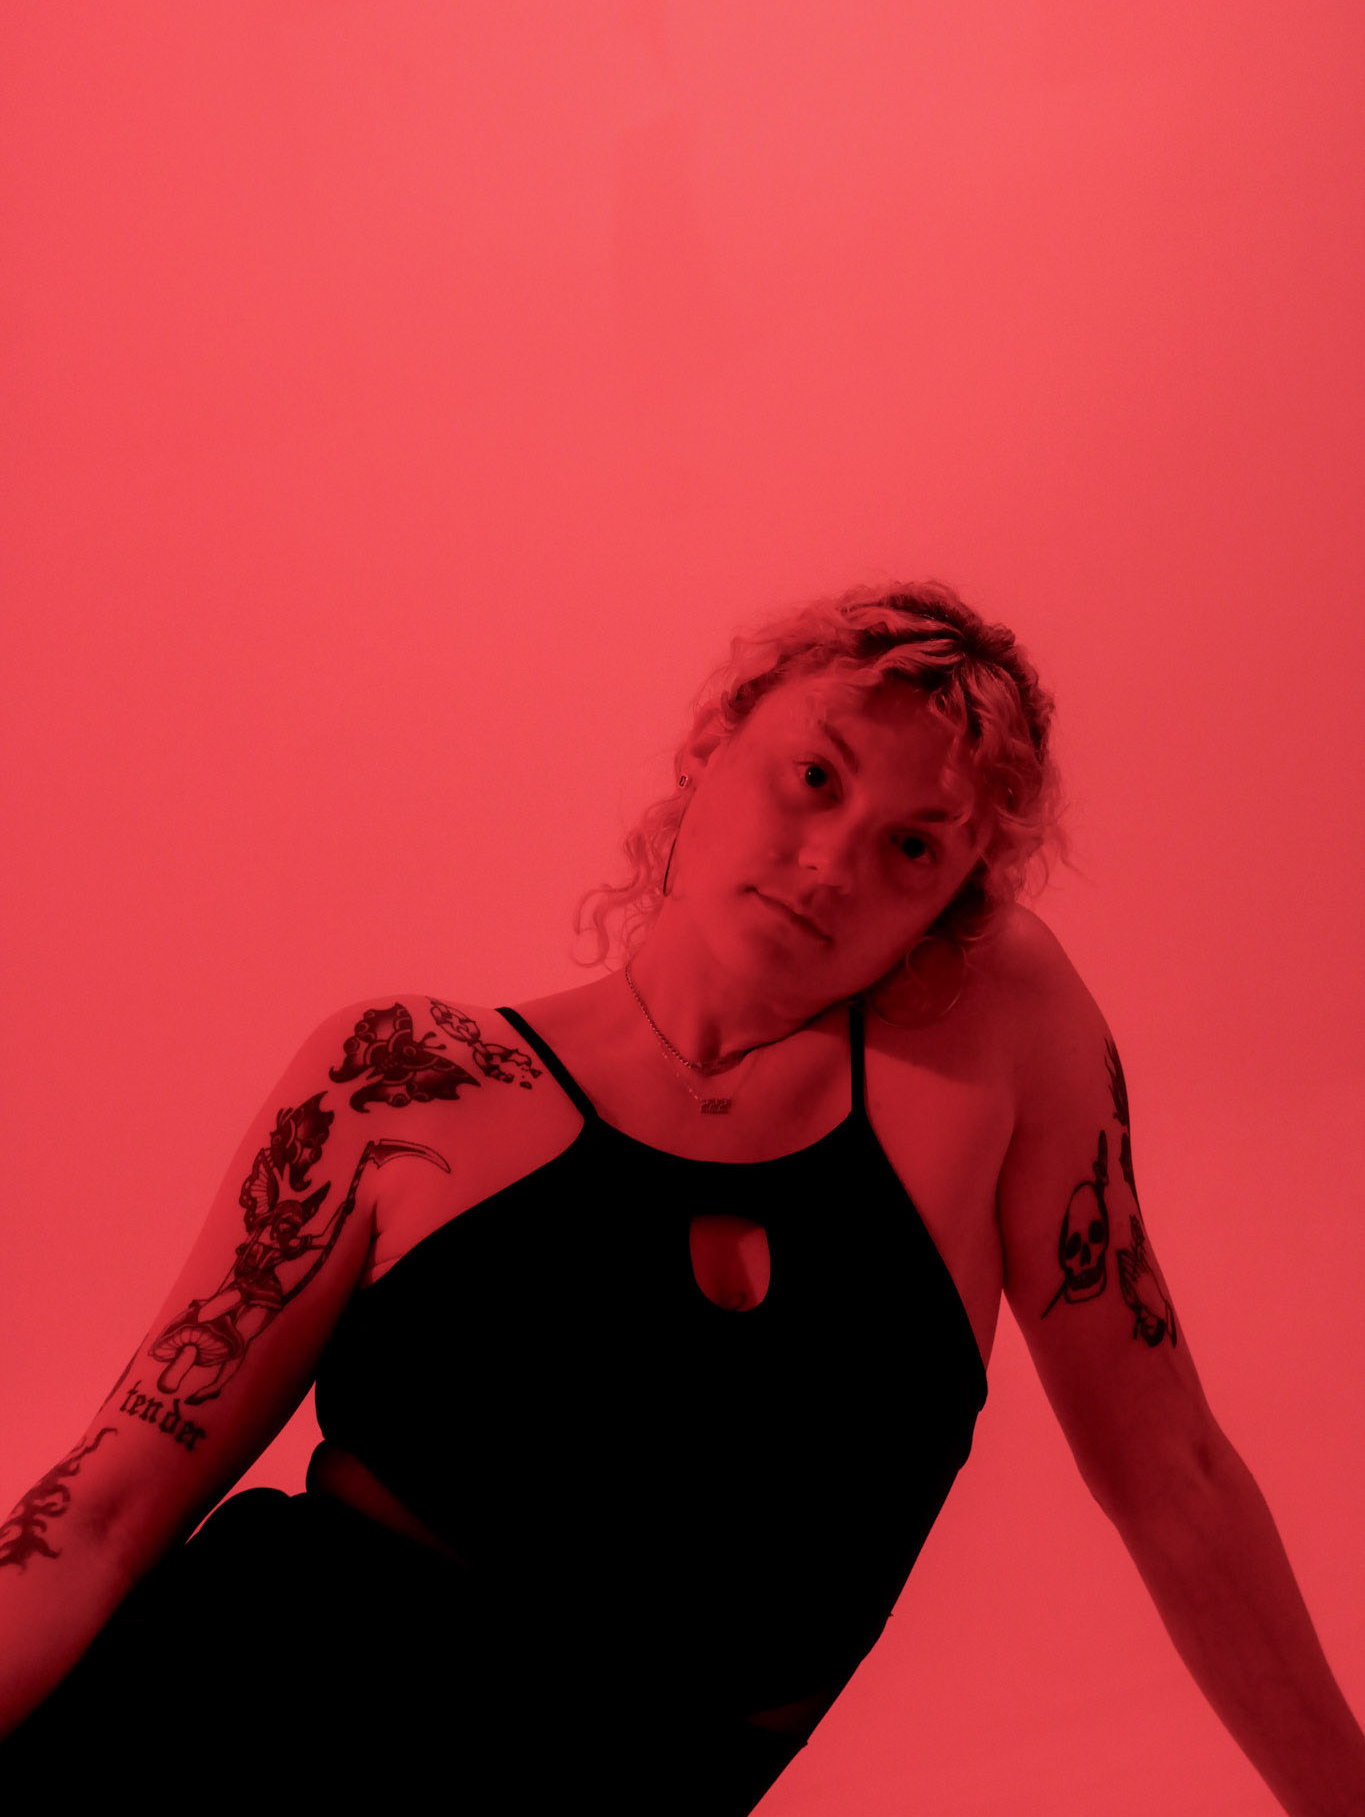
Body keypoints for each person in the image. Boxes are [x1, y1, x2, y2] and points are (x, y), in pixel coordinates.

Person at [1, 583, 1361, 1813]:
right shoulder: (406, 1078)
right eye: (813, 777)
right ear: (715, 743)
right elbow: (103, 1515)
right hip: (199, 1740)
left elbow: (1173, 1476)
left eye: (911, 847)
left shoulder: (994, 1042)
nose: (833, 860)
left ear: (955, 901)